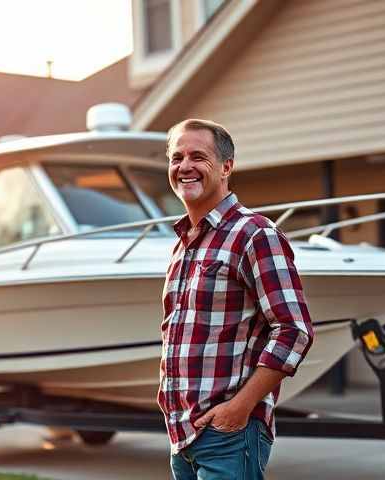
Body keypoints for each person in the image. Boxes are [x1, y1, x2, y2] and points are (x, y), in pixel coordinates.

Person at [160, 119, 314, 479]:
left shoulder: (254, 234)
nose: (184, 167)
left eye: (198, 156)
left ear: (227, 166)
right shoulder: (183, 243)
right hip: (183, 437)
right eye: (176, 157)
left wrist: (239, 409)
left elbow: (294, 330)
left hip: (229, 436)